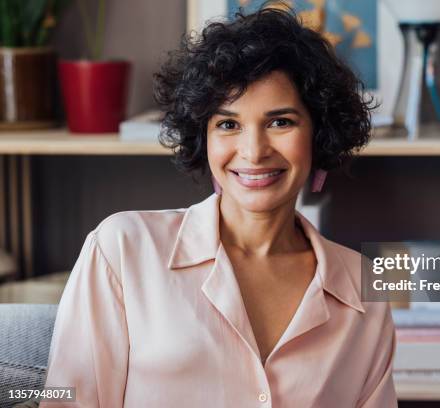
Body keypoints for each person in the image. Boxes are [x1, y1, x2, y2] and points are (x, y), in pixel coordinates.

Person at [42, 3, 397, 407]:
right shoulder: (123, 249)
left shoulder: (365, 290)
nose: (253, 151)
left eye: (280, 121)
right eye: (228, 124)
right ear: (203, 137)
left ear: (319, 133)